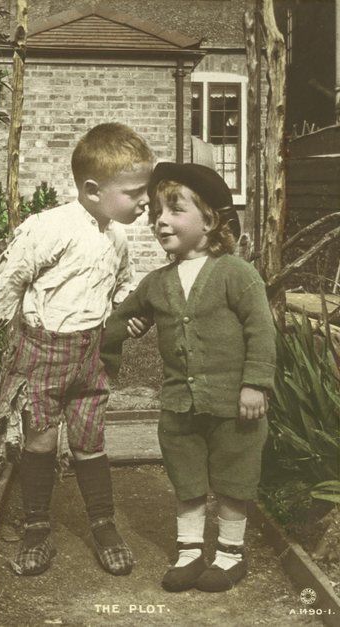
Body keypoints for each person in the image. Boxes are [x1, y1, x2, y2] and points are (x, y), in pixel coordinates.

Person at [0, 123, 154, 577]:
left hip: (91, 356)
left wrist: (127, 313)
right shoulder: (50, 227)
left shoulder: (116, 237)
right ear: (94, 190)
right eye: (135, 192)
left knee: (89, 441)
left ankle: (103, 523)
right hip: (42, 354)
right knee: (40, 440)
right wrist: (7, 332)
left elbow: (119, 288)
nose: (145, 202)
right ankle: (38, 527)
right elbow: (11, 278)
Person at [101, 162, 276, 593]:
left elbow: (261, 329)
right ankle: (190, 552)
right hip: (179, 404)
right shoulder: (158, 282)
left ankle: (231, 554)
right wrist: (116, 350)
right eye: (157, 211)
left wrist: (255, 383)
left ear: (210, 220)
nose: (161, 220)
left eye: (175, 210)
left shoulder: (236, 273)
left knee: (235, 477)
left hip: (234, 403)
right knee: (187, 476)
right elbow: (120, 321)